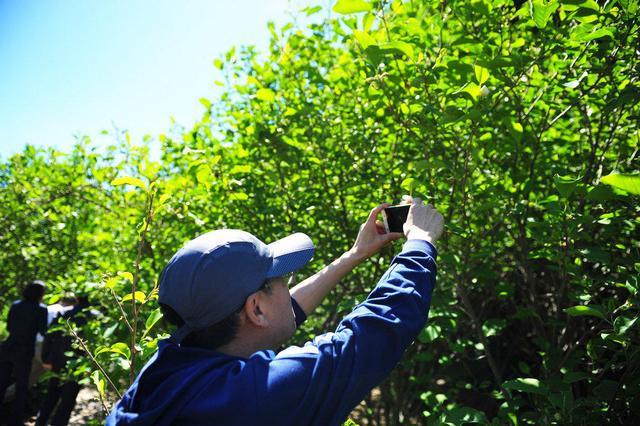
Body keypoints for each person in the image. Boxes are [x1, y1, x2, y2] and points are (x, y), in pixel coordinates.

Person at [107, 197, 443, 425]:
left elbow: (280, 313)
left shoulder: (162, 374)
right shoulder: (253, 397)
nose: (288, 284)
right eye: (281, 278)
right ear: (256, 309)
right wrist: (420, 243)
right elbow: (372, 335)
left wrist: (355, 254)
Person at [36, 295, 92, 426]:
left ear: (77, 300)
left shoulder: (65, 315)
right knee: (68, 400)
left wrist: (46, 358)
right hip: (79, 365)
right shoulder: (93, 319)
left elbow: (49, 336)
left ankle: (40, 422)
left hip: (58, 361)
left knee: (52, 394)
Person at [0, 281, 49, 426]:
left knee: (1, 383)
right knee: (22, 387)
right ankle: (15, 421)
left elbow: (9, 327)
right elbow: (42, 330)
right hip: (25, 351)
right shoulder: (41, 309)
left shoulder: (16, 305)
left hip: (8, 348)